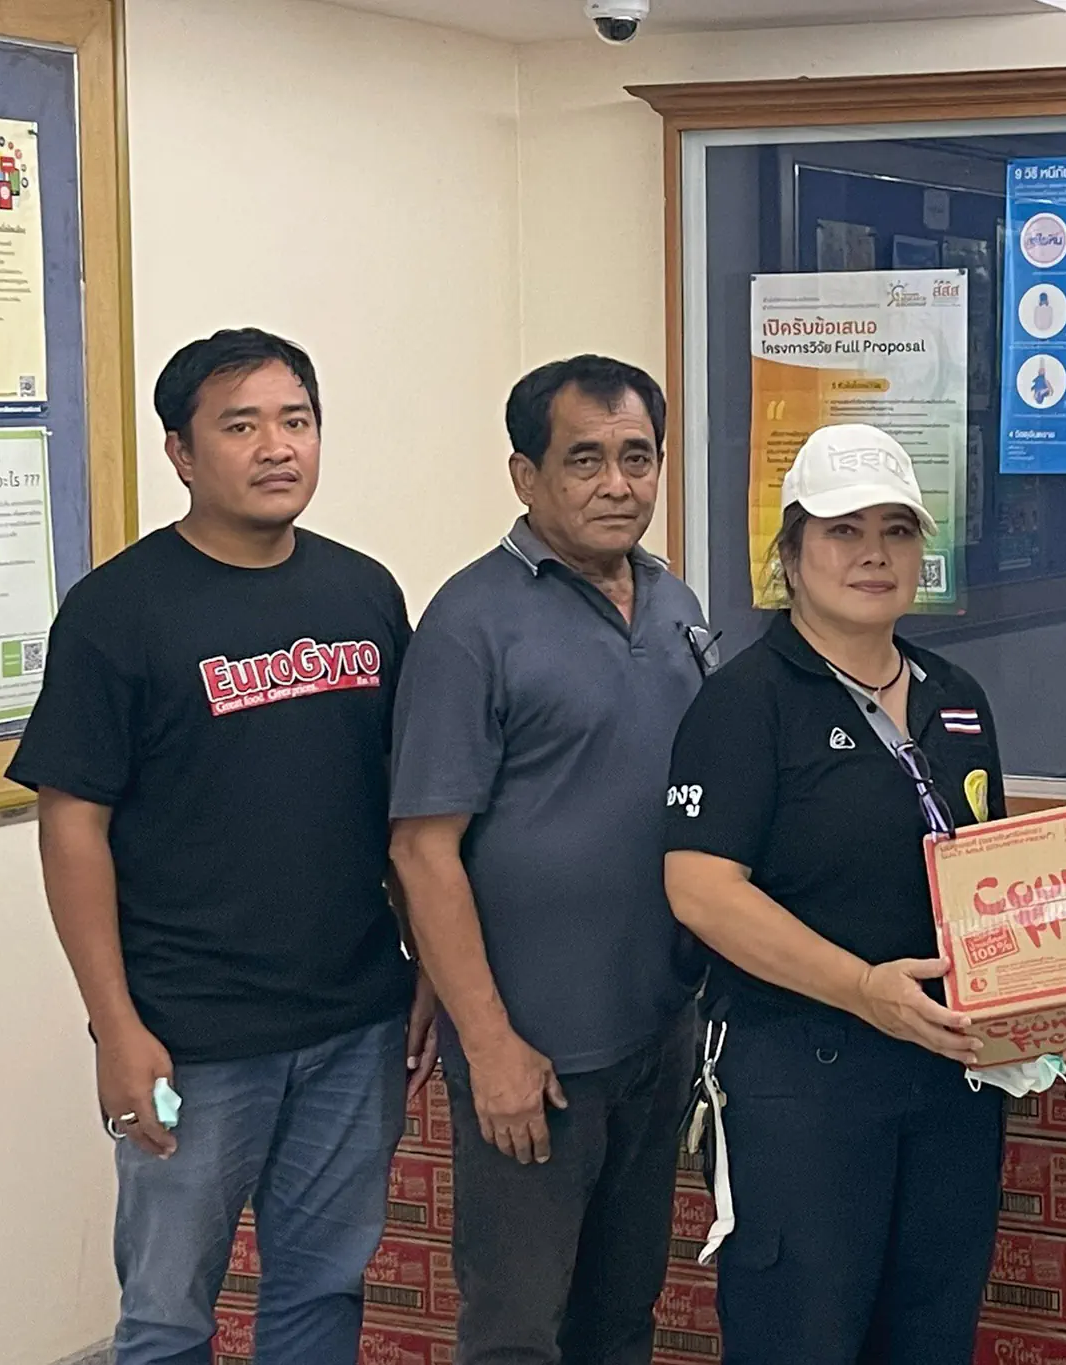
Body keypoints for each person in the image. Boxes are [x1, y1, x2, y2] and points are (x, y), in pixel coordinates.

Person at [8, 328, 435, 1365]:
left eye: (297, 421)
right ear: (181, 453)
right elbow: (72, 827)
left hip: (353, 1020)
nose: (277, 447)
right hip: (188, 1035)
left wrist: (426, 962)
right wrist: (116, 1028)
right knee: (166, 1316)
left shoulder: (364, 592)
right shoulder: (116, 612)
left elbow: (403, 806)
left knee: (323, 1291)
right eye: (241, 426)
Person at [663, 424, 1007, 1365]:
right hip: (800, 1079)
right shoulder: (746, 702)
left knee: (931, 1335)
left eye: (895, 531)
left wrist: (1055, 995)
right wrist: (862, 988)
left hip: (948, 1078)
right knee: (800, 1337)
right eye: (842, 531)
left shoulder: (957, 697)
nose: (872, 554)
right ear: (790, 555)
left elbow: (992, 880)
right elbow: (700, 889)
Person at [388, 355, 707, 1365]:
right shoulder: (470, 622)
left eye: (637, 457)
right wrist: (489, 1047)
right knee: (517, 1330)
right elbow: (422, 851)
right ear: (525, 475)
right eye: (584, 460)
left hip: (656, 1032)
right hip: (534, 1056)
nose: (617, 485)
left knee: (623, 1312)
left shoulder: (676, 605)